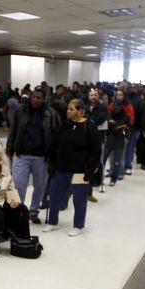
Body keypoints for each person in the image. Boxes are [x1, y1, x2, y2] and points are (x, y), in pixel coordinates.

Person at [43, 99, 101, 237]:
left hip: (80, 171)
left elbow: (95, 150)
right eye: (68, 109)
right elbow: (55, 145)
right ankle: (52, 221)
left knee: (79, 199)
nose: (68, 111)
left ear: (80, 111)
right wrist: (51, 163)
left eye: (71, 109)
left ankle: (78, 225)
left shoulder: (89, 127)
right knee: (55, 196)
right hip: (61, 169)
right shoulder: (64, 125)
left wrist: (90, 169)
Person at [6, 88, 60, 224]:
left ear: (44, 99)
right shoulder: (21, 111)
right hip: (21, 154)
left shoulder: (51, 114)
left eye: (39, 98)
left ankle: (33, 212)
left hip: (41, 157)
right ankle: (18, 211)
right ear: (30, 97)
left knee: (39, 186)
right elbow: (13, 130)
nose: (36, 100)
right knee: (19, 185)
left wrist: (53, 156)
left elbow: (55, 136)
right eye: (34, 97)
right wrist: (9, 149)